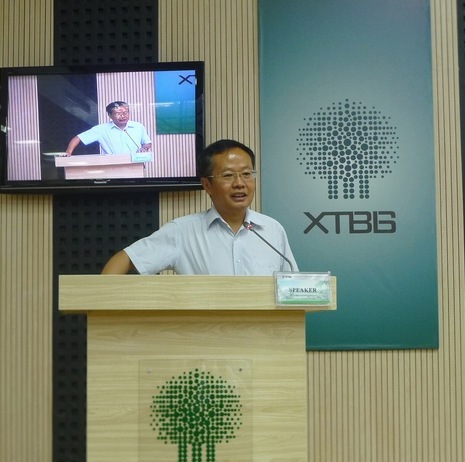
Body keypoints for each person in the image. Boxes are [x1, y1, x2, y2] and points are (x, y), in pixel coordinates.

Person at [101, 139, 298, 275]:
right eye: (228, 176)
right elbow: (123, 260)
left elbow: (293, 290)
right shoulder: (182, 231)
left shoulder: (272, 230)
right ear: (207, 185)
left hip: (262, 326)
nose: (240, 183)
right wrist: (106, 309)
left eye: (247, 174)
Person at [65, 101, 152, 155]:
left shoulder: (138, 126)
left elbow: (147, 143)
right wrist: (68, 152)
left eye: (125, 113)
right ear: (110, 115)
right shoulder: (101, 129)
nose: (123, 116)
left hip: (135, 165)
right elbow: (78, 138)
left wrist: (144, 148)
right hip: (112, 166)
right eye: (118, 114)